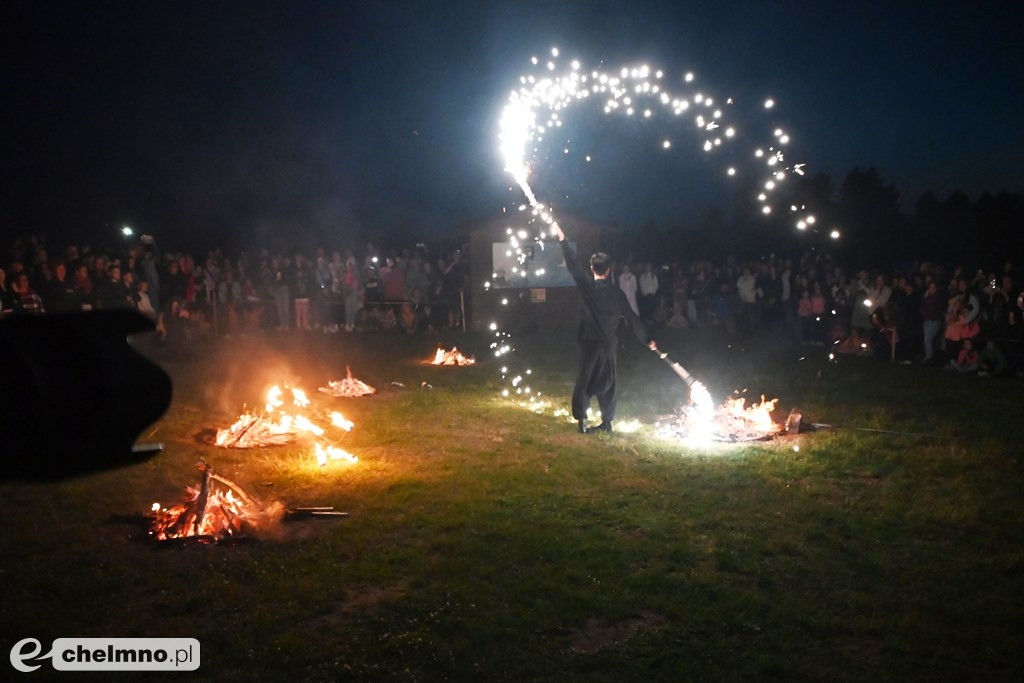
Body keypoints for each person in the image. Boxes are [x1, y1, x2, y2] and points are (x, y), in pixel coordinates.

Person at [549, 222, 656, 434]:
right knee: (609, 382)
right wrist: (647, 339)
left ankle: (583, 420)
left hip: (590, 343)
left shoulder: (587, 288)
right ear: (609, 269)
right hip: (608, 345)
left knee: (585, 380)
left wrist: (562, 239)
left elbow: (573, 266)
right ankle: (607, 422)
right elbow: (633, 319)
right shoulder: (617, 294)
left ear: (592, 269)